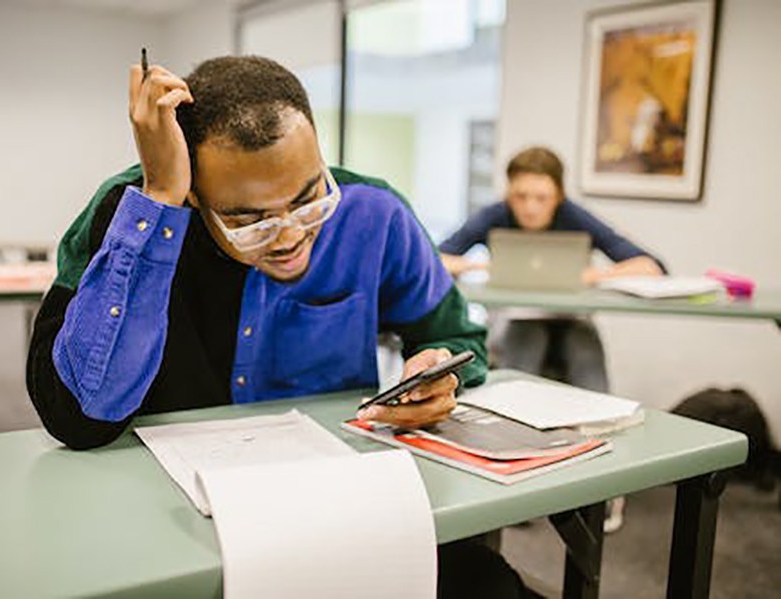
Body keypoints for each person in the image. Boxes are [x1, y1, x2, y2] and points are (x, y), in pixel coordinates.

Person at [26, 55, 523, 597]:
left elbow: (454, 335)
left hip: (334, 507)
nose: (287, 236)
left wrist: (435, 368)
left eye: (308, 198)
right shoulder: (133, 214)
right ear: (195, 190)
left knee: (492, 584)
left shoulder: (374, 212)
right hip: (173, 525)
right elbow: (79, 417)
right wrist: (162, 200)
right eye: (246, 218)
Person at [440, 146, 665, 533]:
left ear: (558, 196)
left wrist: (591, 276)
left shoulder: (575, 217)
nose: (529, 207)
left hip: (572, 323)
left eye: (541, 198)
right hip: (520, 323)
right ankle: (518, 479)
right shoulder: (494, 216)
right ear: (509, 193)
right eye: (520, 196)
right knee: (521, 360)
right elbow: (434, 259)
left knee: (588, 364)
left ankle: (606, 490)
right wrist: (479, 264)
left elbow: (652, 267)